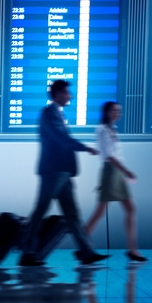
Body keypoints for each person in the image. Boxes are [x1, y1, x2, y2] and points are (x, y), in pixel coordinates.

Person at [18, 80, 108, 267]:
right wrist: (84, 148)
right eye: (67, 93)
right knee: (41, 210)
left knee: (72, 214)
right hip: (53, 171)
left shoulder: (56, 114)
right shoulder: (49, 114)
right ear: (58, 93)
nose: (70, 96)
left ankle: (86, 252)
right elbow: (61, 139)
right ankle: (27, 252)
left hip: (62, 172)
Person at [83, 102, 147, 262]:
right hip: (111, 171)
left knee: (130, 209)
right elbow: (110, 156)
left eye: (119, 110)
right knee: (99, 212)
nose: (117, 113)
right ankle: (82, 245)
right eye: (114, 110)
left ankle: (132, 250)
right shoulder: (102, 130)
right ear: (106, 112)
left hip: (116, 172)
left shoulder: (113, 129)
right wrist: (126, 171)